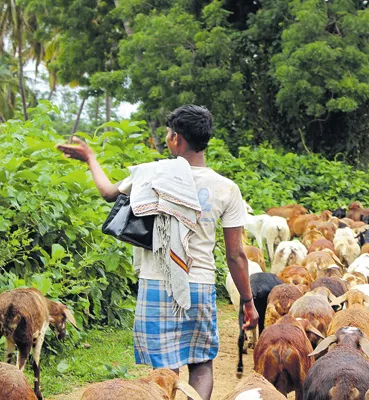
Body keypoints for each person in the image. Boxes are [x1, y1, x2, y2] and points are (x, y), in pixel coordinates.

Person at [57, 105, 258, 400]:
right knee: (202, 366)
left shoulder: (151, 174)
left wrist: (91, 158)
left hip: (155, 284)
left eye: (168, 132)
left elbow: (108, 193)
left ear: (176, 139)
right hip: (199, 285)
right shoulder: (226, 188)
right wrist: (248, 301)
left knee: (164, 372)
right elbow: (235, 255)